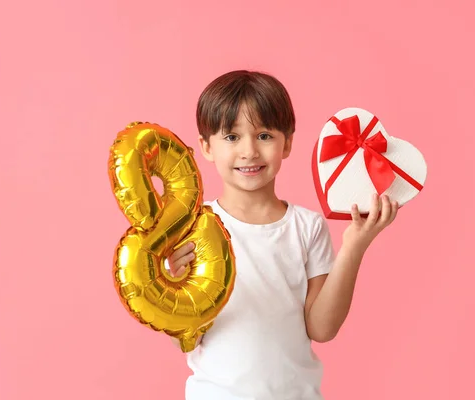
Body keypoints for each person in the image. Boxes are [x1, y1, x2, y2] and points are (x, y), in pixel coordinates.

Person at [166, 70, 399, 400]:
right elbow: (184, 341)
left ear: (287, 142)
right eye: (231, 137)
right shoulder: (192, 228)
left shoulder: (307, 227)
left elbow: (322, 328)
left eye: (264, 136)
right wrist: (179, 289)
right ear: (206, 146)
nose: (249, 151)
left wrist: (354, 245)